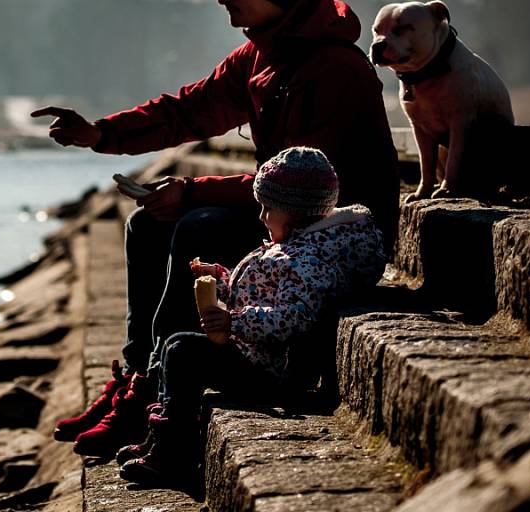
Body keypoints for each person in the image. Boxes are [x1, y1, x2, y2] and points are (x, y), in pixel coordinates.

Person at [32, 0, 399, 456]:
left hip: (332, 234)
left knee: (198, 227)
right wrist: (102, 132)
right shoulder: (260, 56)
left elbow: (306, 187)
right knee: (147, 222)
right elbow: (189, 109)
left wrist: (193, 190)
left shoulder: (334, 69)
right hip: (288, 220)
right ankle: (139, 375)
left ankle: (159, 389)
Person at [116, 147, 386, 488]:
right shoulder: (297, 246)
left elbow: (292, 318)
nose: (260, 217)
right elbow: (261, 291)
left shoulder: (305, 262)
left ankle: (173, 451)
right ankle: (163, 438)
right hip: (256, 354)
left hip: (270, 370)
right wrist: (222, 277)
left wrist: (235, 323)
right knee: (176, 344)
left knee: (182, 352)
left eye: (267, 209)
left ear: (296, 214)